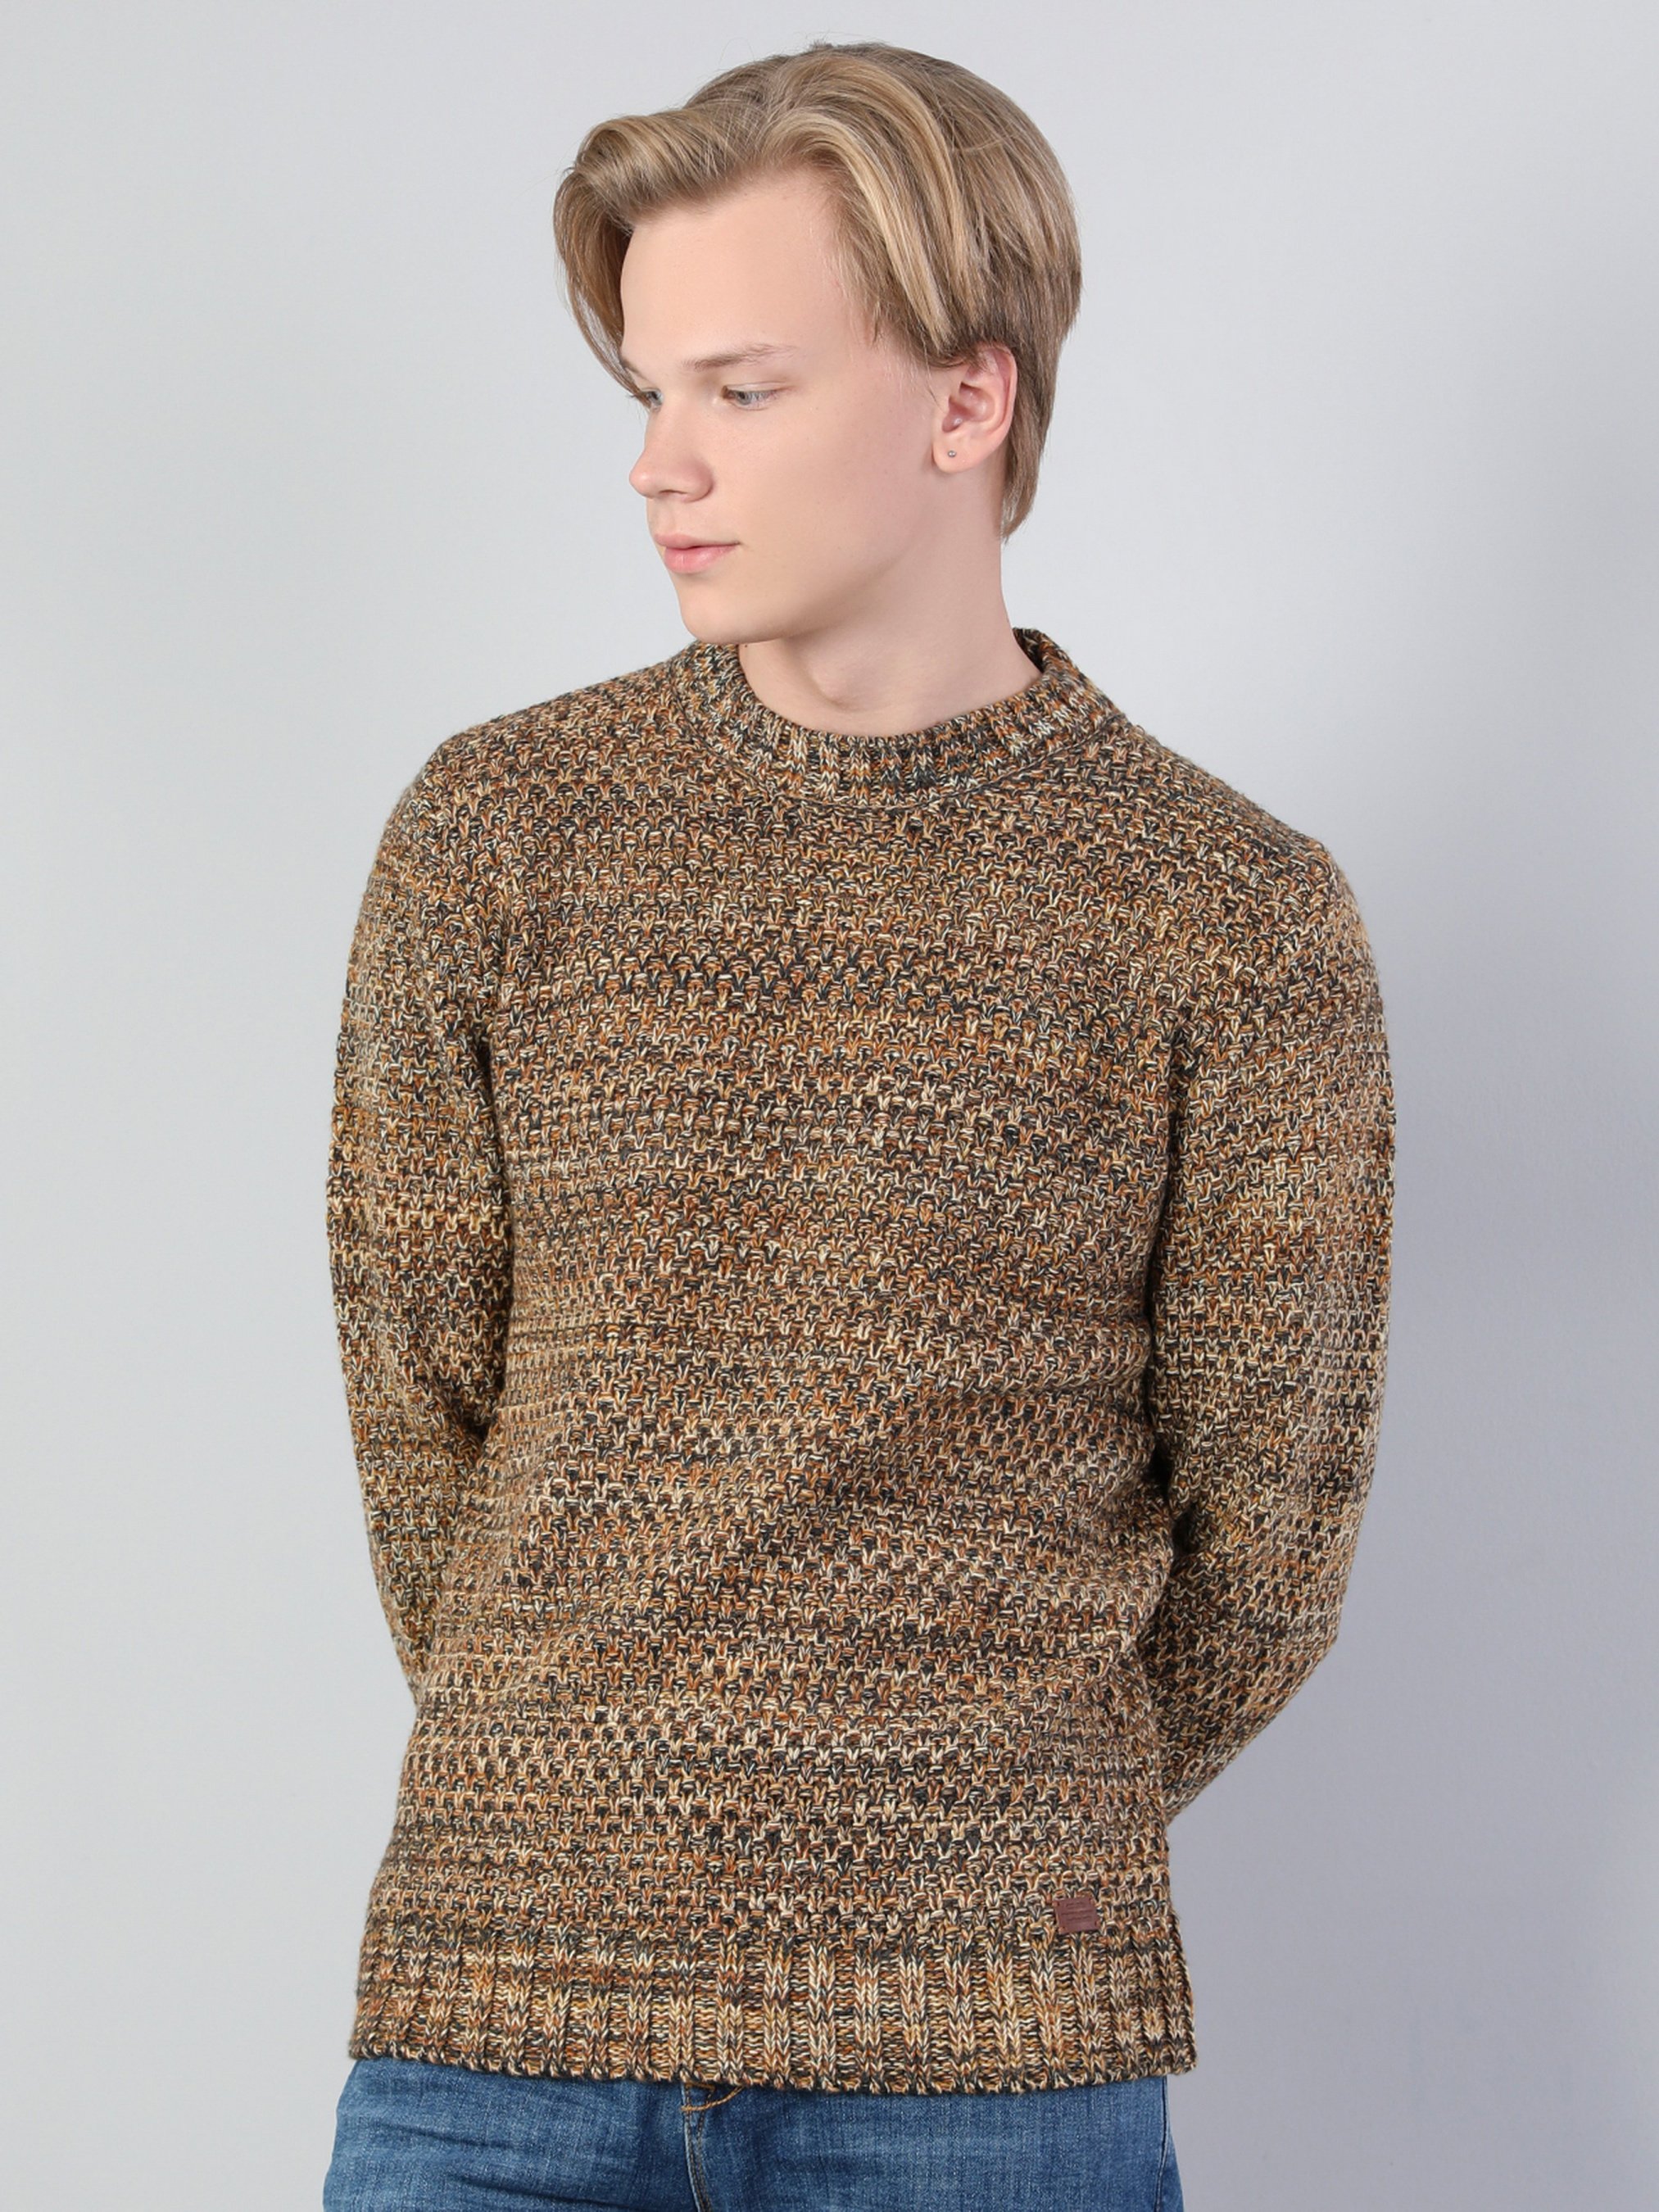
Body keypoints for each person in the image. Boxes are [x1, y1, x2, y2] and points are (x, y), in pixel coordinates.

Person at [320, 37, 1394, 2211]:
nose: (659, 464)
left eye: (741, 387)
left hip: (986, 2075)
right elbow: (419, 1413)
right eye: (648, 390)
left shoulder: (1226, 911)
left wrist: (979, 1826)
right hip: (496, 2031)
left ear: (966, 402)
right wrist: (587, 1781)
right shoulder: (498, 833)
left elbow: (1271, 1536)